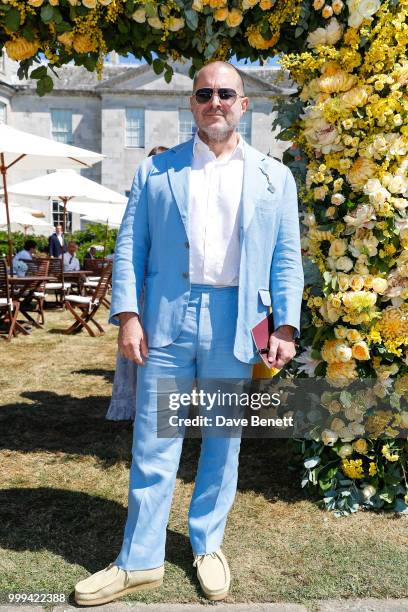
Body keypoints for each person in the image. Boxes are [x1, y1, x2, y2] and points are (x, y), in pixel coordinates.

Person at [75, 61, 303, 605]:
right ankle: (140, 560)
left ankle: (208, 546)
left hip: (238, 321)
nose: (215, 101)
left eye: (227, 93)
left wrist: (286, 326)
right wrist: (128, 315)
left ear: (243, 104)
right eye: (205, 93)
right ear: (192, 104)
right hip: (167, 320)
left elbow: (286, 257)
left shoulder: (276, 177)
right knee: (155, 441)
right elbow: (130, 247)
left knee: (223, 441)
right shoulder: (156, 172)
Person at [106, 146, 169, 421]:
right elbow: (131, 245)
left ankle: (158, 409)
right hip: (142, 286)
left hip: (164, 288)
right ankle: (135, 406)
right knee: (137, 347)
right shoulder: (142, 195)